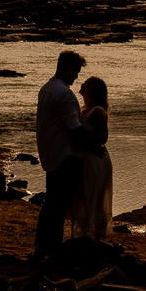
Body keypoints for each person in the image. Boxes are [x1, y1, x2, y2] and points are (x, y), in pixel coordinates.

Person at [33, 50, 96, 259]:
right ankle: (53, 249)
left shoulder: (47, 88)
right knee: (59, 204)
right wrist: (93, 146)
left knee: (50, 200)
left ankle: (41, 247)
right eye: (76, 72)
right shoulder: (64, 94)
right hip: (65, 154)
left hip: (50, 152)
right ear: (68, 69)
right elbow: (73, 127)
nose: (76, 77)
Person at [70, 76, 113, 238]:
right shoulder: (83, 110)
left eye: (87, 83)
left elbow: (103, 138)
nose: (82, 84)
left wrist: (80, 136)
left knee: (95, 196)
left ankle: (98, 236)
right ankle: (85, 235)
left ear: (95, 90)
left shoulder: (97, 111)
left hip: (96, 159)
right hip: (85, 157)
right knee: (83, 196)